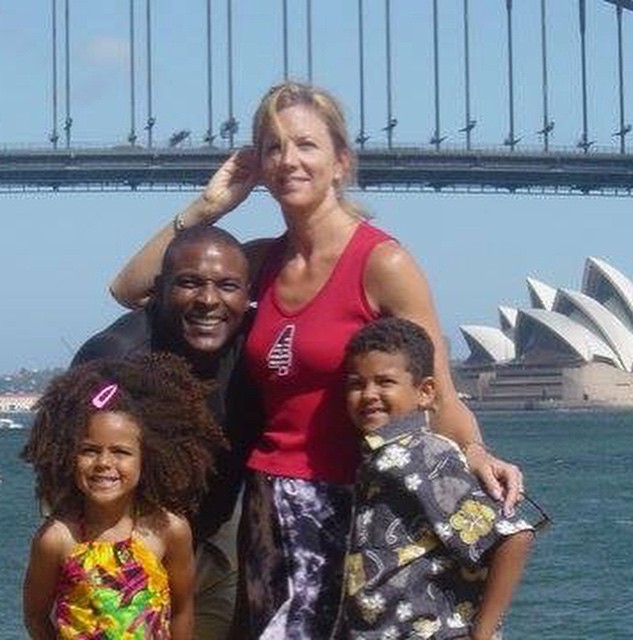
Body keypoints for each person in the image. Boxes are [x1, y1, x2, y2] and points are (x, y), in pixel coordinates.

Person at [110, 81, 524, 639]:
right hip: (267, 504)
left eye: (306, 145)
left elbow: (438, 391)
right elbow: (132, 287)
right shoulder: (260, 261)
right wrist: (209, 206)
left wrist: (475, 451)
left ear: (340, 162)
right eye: (274, 147)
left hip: (358, 506)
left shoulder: (383, 262)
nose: (288, 160)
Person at [72, 224, 263, 639]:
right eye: (189, 283)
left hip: (211, 546)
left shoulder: (256, 347)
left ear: (248, 294)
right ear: (158, 290)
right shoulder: (117, 359)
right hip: (120, 551)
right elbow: (71, 468)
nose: (209, 300)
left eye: (227, 286)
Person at [337, 317, 534, 640]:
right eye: (357, 384)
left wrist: (483, 632)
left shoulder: (423, 454)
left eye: (385, 382)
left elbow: (513, 537)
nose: (369, 394)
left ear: (425, 392)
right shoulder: (377, 454)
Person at [21, 353, 225, 640]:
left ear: (147, 459)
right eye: (89, 450)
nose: (104, 462)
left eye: (121, 452)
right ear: (69, 455)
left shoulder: (169, 530)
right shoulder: (57, 538)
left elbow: (181, 608)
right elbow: (35, 615)